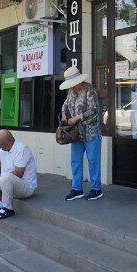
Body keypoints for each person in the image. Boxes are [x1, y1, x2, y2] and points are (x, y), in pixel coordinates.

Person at [59, 65, 103, 201]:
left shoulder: (89, 89)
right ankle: (77, 188)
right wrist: (64, 113)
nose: (72, 86)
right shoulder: (71, 92)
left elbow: (94, 110)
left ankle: (96, 189)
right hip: (76, 133)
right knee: (75, 160)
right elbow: (65, 105)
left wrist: (77, 117)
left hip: (91, 132)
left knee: (93, 161)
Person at [0, 130, 37, 220]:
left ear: (10, 141)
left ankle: (8, 208)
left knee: (5, 176)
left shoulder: (22, 149)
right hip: (8, 183)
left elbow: (18, 174)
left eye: (0, 144)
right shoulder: (3, 149)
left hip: (26, 188)